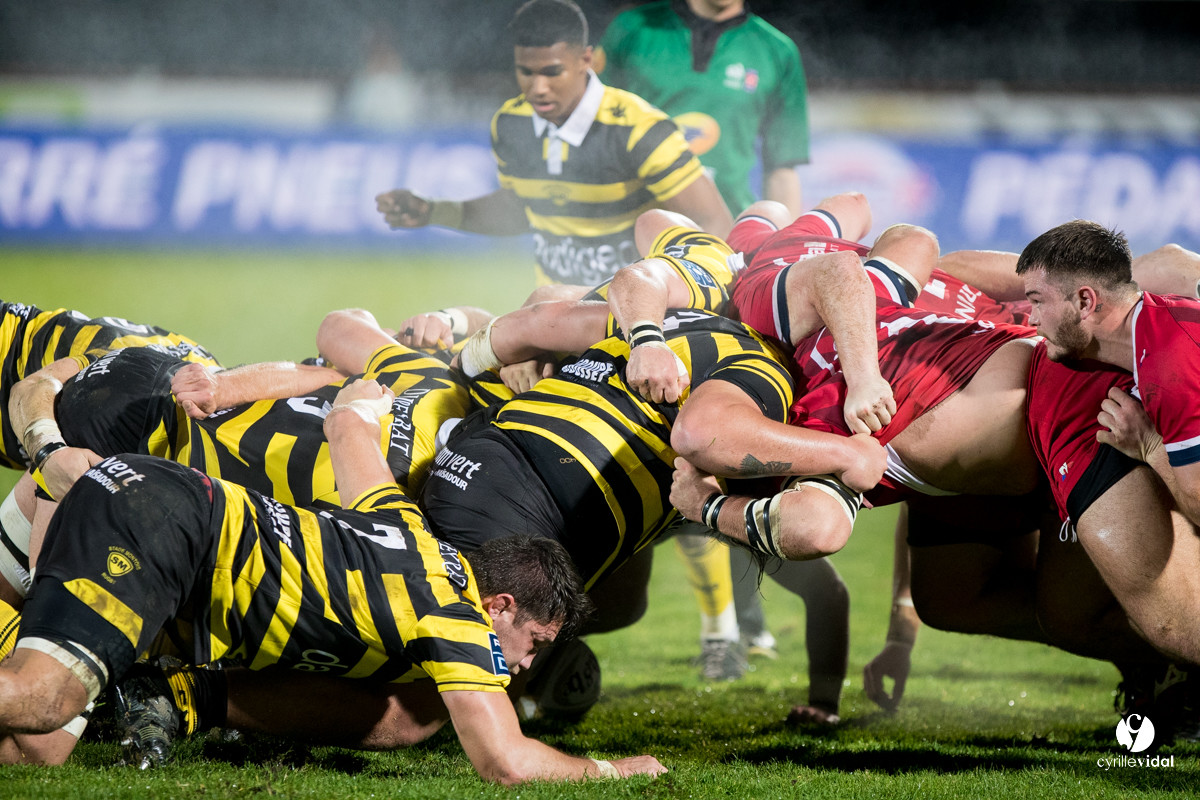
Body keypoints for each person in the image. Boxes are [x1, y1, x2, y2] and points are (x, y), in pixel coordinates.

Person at [0, 380, 667, 782]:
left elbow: (347, 429)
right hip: (165, 527)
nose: (523, 664)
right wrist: (613, 770)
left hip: (151, 493)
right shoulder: (454, 614)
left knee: (35, 752)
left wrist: (362, 399)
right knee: (41, 700)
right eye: (532, 641)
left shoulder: (407, 526)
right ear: (499, 602)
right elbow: (507, 763)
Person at [375, 0, 732, 287]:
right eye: (526, 72)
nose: (538, 88)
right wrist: (433, 211)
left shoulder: (638, 129)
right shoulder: (510, 124)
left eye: (552, 72)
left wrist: (680, 297)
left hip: (635, 317)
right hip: (552, 316)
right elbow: (521, 210)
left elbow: (713, 223)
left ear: (585, 60)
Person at [1015, 222, 1200, 528]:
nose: (1031, 317)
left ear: (1084, 302)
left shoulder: (1170, 370)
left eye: (1037, 301)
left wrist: (1150, 446)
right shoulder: (1163, 317)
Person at [598, 0, 809, 216]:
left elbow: (782, 171)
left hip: (729, 234)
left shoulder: (779, 52)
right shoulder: (631, 29)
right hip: (636, 225)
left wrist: (788, 242)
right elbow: (593, 134)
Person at [0, 298, 223, 472]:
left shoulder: (207, 381)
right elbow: (30, 388)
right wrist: (48, 453)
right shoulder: (142, 382)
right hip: (9, 355)